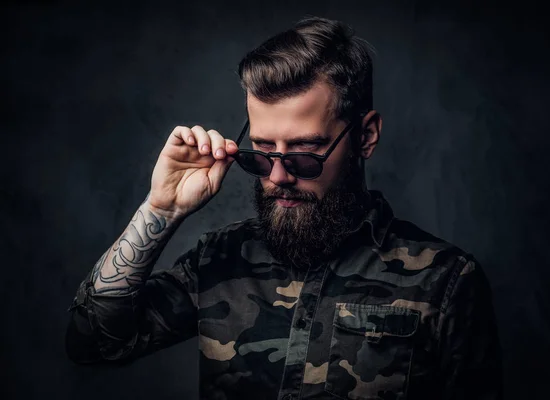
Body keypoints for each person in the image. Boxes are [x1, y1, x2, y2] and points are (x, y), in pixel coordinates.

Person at [65, 16, 503, 400]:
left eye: (304, 154)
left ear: (365, 137)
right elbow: (92, 342)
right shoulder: (220, 259)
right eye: (261, 153)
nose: (277, 177)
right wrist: (161, 208)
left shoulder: (445, 282)